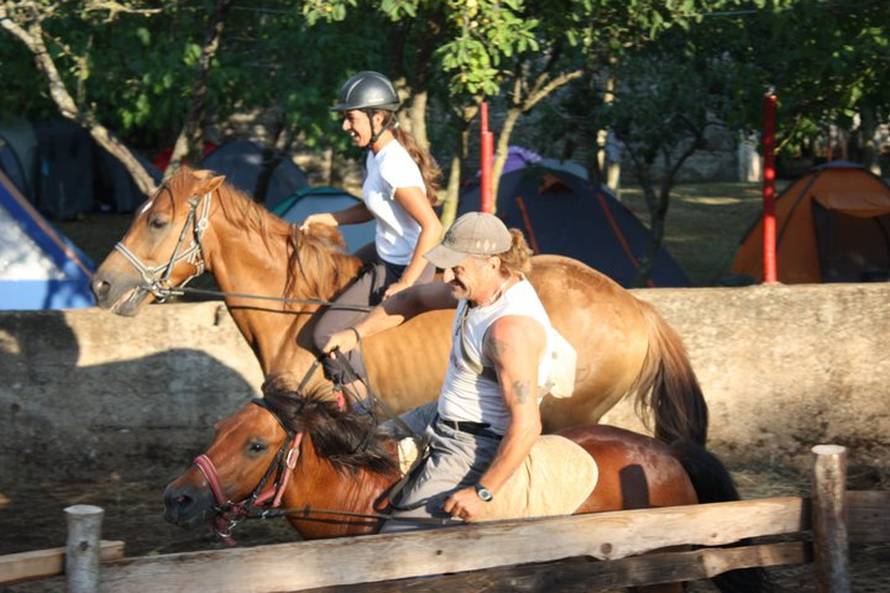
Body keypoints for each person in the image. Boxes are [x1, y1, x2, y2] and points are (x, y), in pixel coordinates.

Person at [323, 212, 563, 530]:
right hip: (439, 414)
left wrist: (483, 492)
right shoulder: (479, 289)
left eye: (457, 266)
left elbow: (527, 425)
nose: (447, 275)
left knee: (401, 538)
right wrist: (354, 334)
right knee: (361, 446)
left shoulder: (509, 330)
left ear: (493, 263)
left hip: (474, 443)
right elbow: (414, 298)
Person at [304, 71, 442, 387]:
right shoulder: (376, 156)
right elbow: (373, 207)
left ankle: (363, 414)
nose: (345, 127)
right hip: (385, 252)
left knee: (325, 333)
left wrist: (406, 283)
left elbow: (432, 227)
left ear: (377, 117)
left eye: (350, 118)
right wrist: (329, 217)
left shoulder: (393, 164)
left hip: (406, 265)